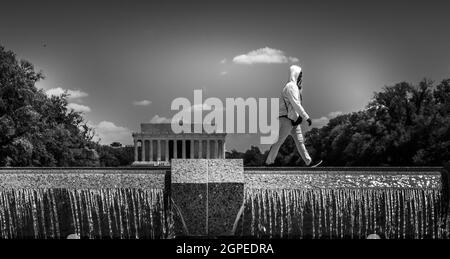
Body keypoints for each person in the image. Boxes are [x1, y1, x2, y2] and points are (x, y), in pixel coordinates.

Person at [265, 65, 322, 167]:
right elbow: (296, 103)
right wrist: (306, 117)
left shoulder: (294, 87)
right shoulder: (291, 87)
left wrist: (299, 117)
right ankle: (269, 162)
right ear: (296, 74)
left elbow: (294, 104)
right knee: (279, 141)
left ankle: (309, 162)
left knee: (300, 141)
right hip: (287, 118)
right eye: (300, 75)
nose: (301, 78)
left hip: (293, 119)